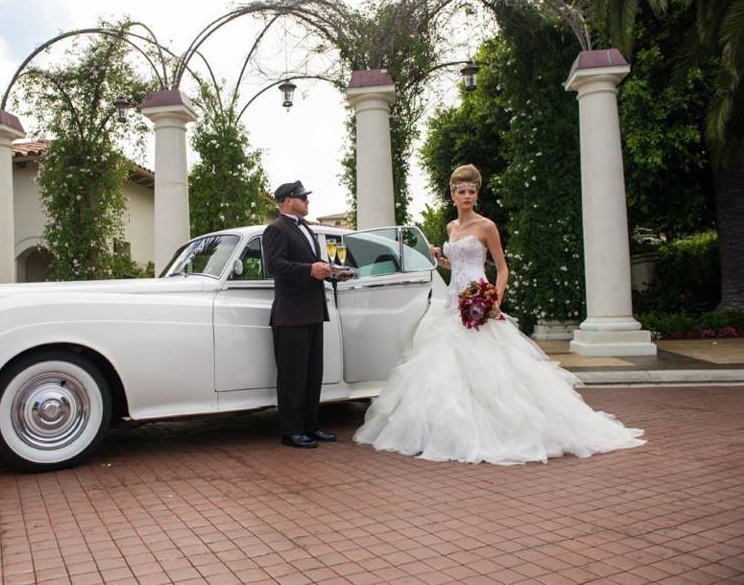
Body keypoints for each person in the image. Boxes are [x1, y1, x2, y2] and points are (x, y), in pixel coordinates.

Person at [354, 164, 646, 464]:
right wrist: (440, 258)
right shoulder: (450, 228)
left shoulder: (486, 226)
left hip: (480, 301)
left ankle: (509, 430)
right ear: (453, 195)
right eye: (461, 191)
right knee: (447, 368)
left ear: (476, 195)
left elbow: (502, 268)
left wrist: (494, 299)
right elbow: (457, 267)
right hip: (454, 303)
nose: (467, 196)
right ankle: (452, 433)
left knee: (491, 367)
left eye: (471, 191)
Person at [263, 180, 338, 449]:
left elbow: (309, 264)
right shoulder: (275, 229)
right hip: (291, 313)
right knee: (292, 375)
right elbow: (275, 266)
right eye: (302, 198)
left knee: (312, 373)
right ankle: (291, 431)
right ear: (287, 201)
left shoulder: (306, 228)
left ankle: (310, 426)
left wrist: (329, 272)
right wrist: (309, 269)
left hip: (313, 310)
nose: (307, 202)